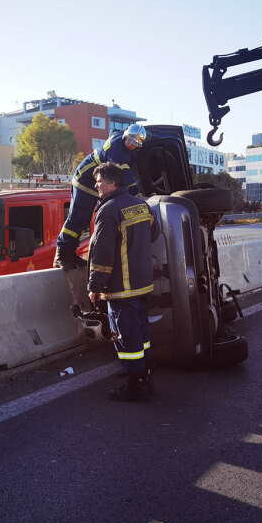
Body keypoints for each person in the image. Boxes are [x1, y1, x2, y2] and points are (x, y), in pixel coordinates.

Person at [87, 162, 158, 401]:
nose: (96, 185)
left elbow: (102, 254)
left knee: (126, 335)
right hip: (143, 283)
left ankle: (137, 384)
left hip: (122, 288)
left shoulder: (108, 211)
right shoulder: (142, 205)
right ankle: (145, 371)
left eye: (99, 181)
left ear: (112, 183)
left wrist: (95, 286)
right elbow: (153, 234)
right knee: (141, 331)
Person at [54, 123, 147, 269]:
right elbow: (124, 173)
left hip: (97, 183)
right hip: (85, 180)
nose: (131, 145)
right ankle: (61, 254)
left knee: (83, 220)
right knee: (77, 218)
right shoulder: (117, 148)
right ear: (125, 136)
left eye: (135, 144)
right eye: (130, 141)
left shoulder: (123, 141)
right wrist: (136, 192)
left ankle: (70, 254)